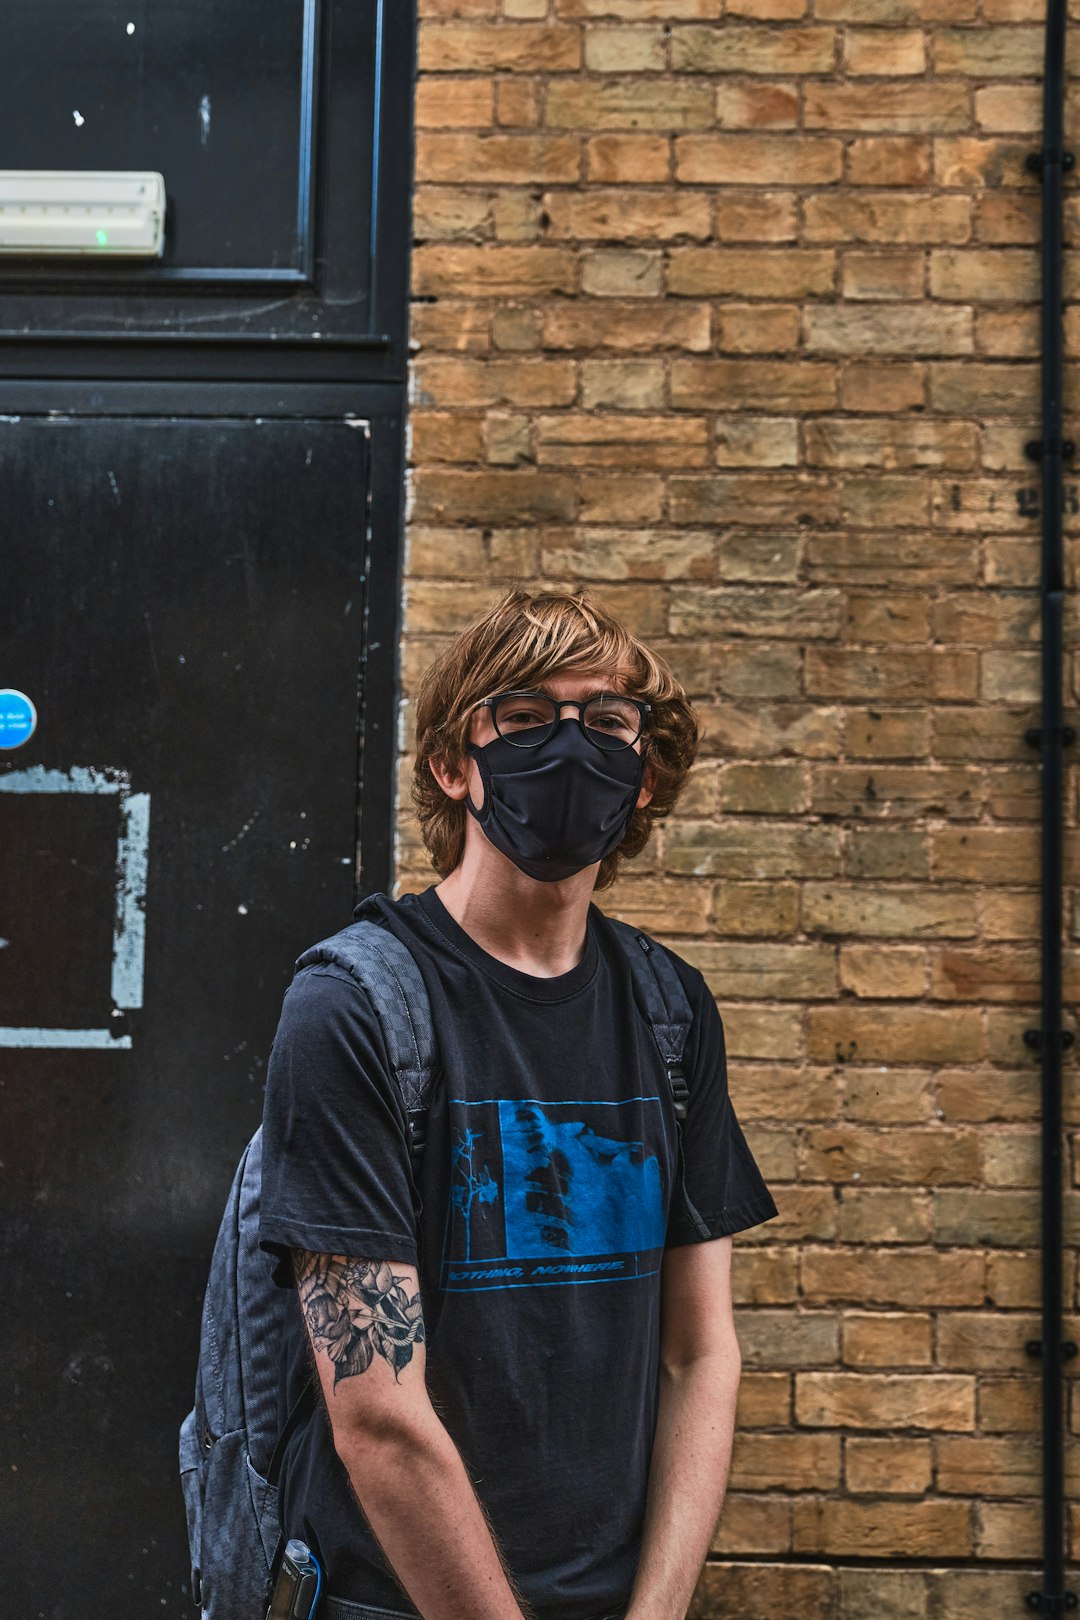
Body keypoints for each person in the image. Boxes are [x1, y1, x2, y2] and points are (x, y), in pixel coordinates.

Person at [258, 590, 779, 1620]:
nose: (574, 747)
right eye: (528, 719)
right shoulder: (354, 1007)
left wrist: (657, 1611)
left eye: (609, 723)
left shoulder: (671, 1008)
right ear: (455, 765)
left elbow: (699, 1350)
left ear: (642, 779)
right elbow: (378, 1412)